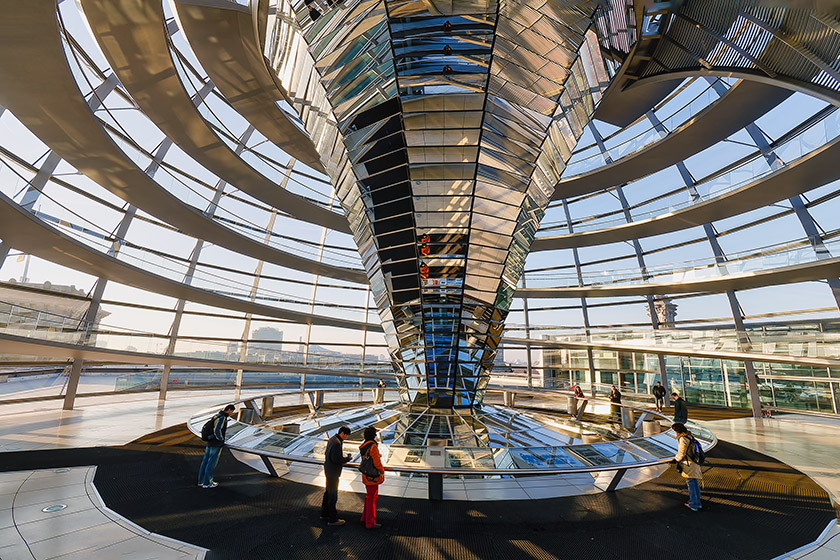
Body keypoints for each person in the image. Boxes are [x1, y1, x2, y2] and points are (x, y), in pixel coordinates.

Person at [198, 404, 235, 488]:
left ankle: (201, 481)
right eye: (231, 411)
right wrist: (221, 439)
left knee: (205, 461)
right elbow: (217, 430)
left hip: (210, 441)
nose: (231, 413)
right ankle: (208, 483)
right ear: (229, 410)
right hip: (216, 443)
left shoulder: (216, 416)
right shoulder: (222, 418)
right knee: (211, 463)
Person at [321, 425, 351, 526]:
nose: (346, 438)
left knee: (328, 492)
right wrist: (347, 459)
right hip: (333, 472)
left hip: (328, 469)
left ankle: (324, 513)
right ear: (343, 433)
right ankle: (332, 519)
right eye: (346, 435)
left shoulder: (332, 439)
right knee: (333, 495)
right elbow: (337, 460)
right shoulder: (337, 443)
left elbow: (328, 454)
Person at [672, 422, 703, 511]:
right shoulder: (690, 436)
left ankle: (693, 504)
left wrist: (675, 458)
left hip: (688, 464)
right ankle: (697, 503)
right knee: (694, 483)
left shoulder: (682, 439)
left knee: (691, 484)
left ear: (677, 430)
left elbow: (681, 454)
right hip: (694, 463)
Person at [359, 426, 384, 529]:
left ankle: (365, 518)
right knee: (372, 499)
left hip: (366, 475)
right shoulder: (373, 447)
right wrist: (382, 471)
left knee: (368, 497)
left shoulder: (363, 446)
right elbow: (376, 463)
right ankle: (370, 522)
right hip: (373, 477)